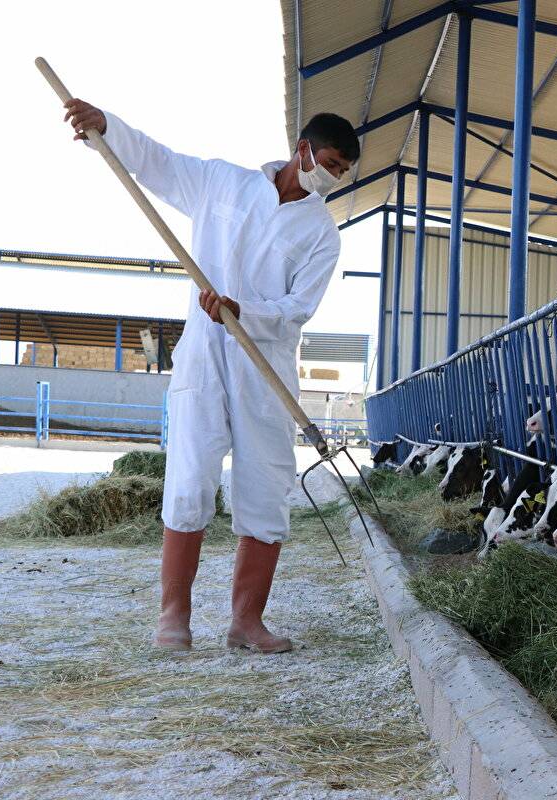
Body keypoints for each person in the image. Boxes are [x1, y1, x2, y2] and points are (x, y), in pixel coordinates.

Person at [62, 99, 359, 654]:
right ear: (303, 150)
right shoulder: (224, 183)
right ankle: (173, 616)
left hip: (265, 365)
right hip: (204, 354)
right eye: (333, 162)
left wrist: (244, 309)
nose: (335, 176)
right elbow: (161, 165)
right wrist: (108, 128)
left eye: (343, 171)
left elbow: (299, 306)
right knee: (190, 478)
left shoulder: (323, 233)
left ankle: (246, 622)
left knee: (267, 487)